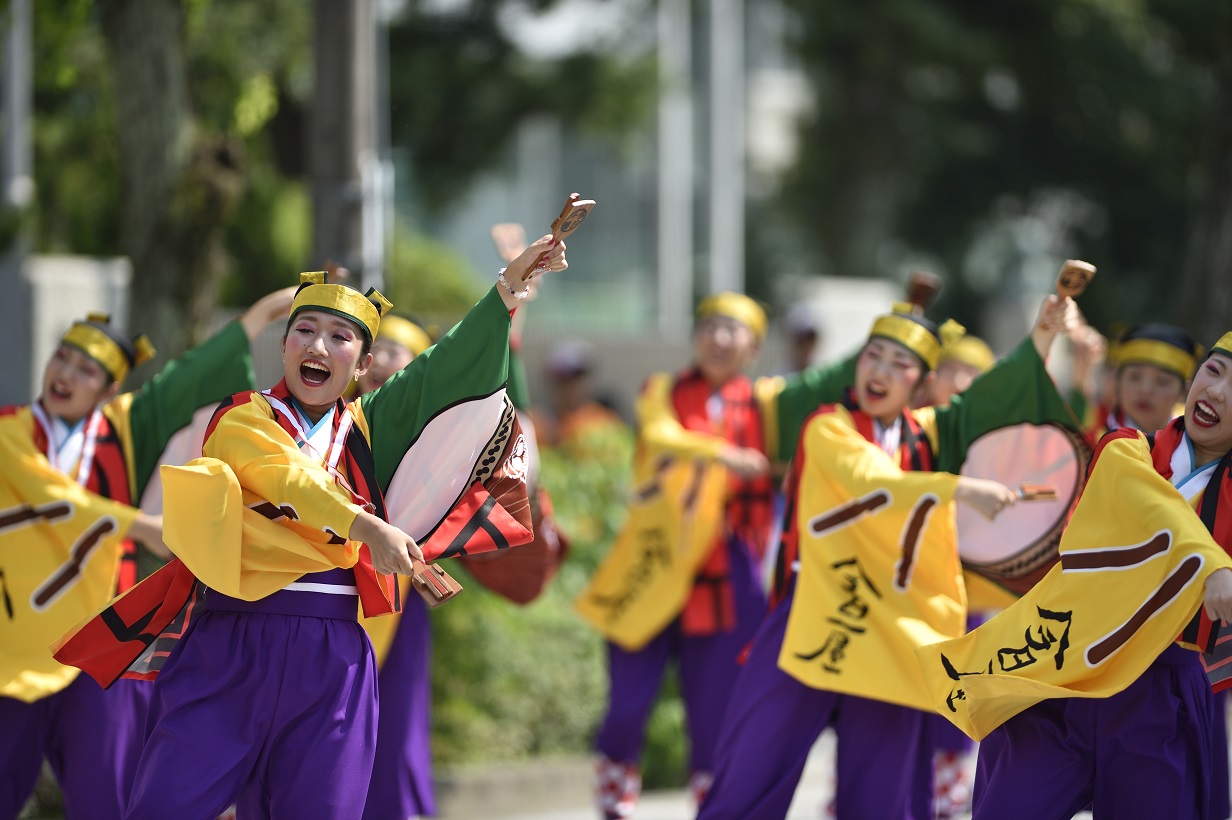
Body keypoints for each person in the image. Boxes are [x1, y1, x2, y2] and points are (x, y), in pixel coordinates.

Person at [54, 236, 567, 819]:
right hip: (231, 644)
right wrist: (364, 524)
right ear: (285, 343)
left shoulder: (369, 430)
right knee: (164, 808)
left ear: (364, 364)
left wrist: (505, 292)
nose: (319, 345)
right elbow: (286, 478)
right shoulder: (241, 418)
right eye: (305, 330)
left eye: (340, 337)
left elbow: (438, 374)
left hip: (333, 657)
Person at [696, 294, 1080, 819]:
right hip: (815, 613)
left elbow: (988, 401)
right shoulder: (829, 425)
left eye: (899, 365)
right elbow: (870, 479)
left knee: (882, 791)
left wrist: (1043, 334)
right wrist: (958, 488)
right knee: (753, 766)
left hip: (893, 626)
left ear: (921, 384)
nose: (880, 371)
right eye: (873, 355)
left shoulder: (929, 433)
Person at [0, 290, 294, 819]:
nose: (66, 373)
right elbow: (53, 498)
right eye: (62, 357)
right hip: (12, 646)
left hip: (102, 641)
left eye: (87, 369)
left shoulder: (126, 429)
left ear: (110, 389)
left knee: (110, 797)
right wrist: (142, 526)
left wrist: (265, 313)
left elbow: (190, 375)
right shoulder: (9, 432)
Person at [921, 330, 1232, 820]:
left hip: (1160, 693)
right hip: (1062, 668)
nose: (1216, 392)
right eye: (1214, 372)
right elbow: (1150, 505)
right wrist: (1211, 562)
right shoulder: (1125, 449)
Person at [354, 315, 437, 820]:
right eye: (376, 349)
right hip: (331, 590)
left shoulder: (431, 437)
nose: (382, 360)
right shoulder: (329, 422)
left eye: (396, 351)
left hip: (397, 601)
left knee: (394, 719)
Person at [1087, 323, 1200, 439]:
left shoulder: (1196, 448)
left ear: (1183, 392)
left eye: (1162, 381)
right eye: (1135, 377)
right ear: (1118, 380)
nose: (1145, 390)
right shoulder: (1086, 448)